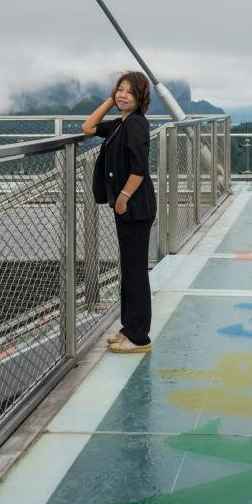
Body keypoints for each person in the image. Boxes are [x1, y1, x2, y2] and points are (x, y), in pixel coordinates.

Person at [83, 71, 158, 354]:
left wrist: (124, 197)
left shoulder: (136, 124)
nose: (123, 95)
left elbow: (140, 168)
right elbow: (88, 128)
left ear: (140, 98)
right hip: (127, 207)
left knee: (136, 271)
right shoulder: (121, 123)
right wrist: (108, 100)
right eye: (119, 90)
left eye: (130, 92)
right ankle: (129, 328)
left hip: (135, 207)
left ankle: (140, 337)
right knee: (129, 269)